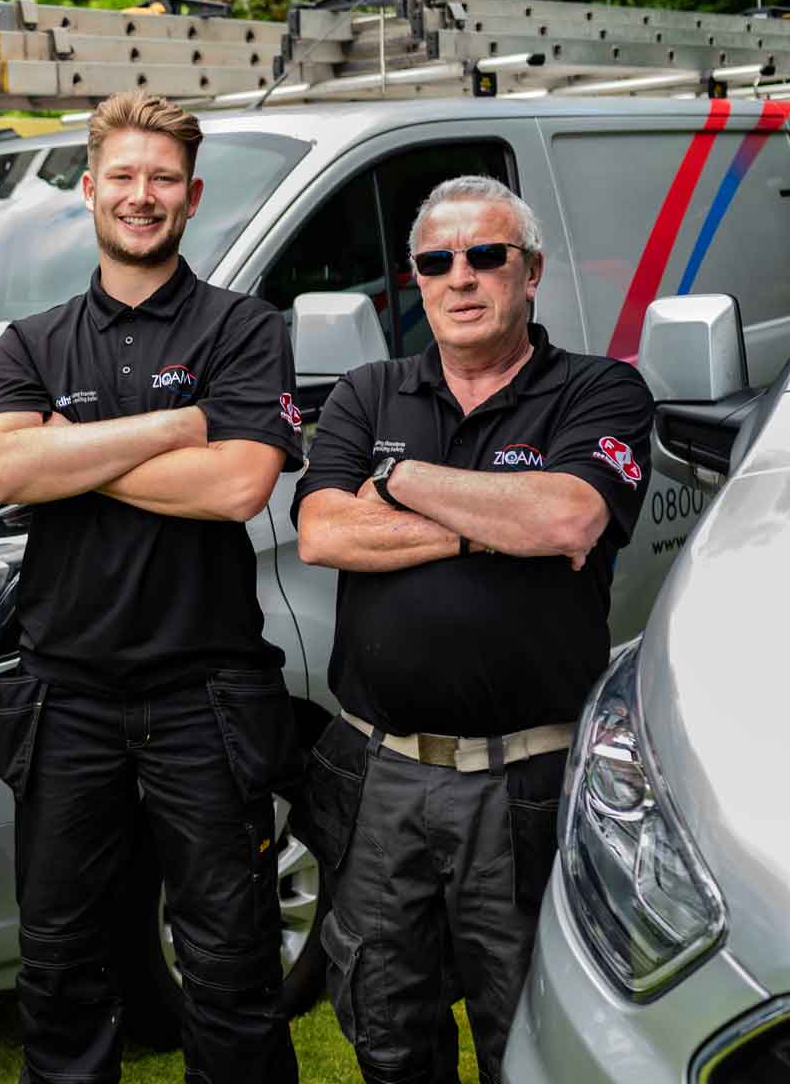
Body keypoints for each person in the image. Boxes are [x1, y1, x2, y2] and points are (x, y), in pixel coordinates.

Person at [0, 90, 304, 1084]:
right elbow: (3, 471)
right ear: (89, 189)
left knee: (231, 960)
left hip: (203, 697)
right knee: (63, 964)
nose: (142, 194)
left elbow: (240, 482)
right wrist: (174, 425)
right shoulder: (32, 340)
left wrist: (68, 449)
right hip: (64, 697)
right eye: (123, 175)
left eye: (163, 177)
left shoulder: (244, 329)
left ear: (193, 195)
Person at [292, 175, 654, 1081]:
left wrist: (404, 480)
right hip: (380, 778)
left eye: (486, 255)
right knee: (385, 1020)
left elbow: (570, 519)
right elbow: (323, 530)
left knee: (525, 1027)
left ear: (529, 272)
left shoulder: (600, 391)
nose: (461, 277)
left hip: (523, 785)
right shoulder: (370, 390)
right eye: (436, 261)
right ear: (416, 279)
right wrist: (490, 526)